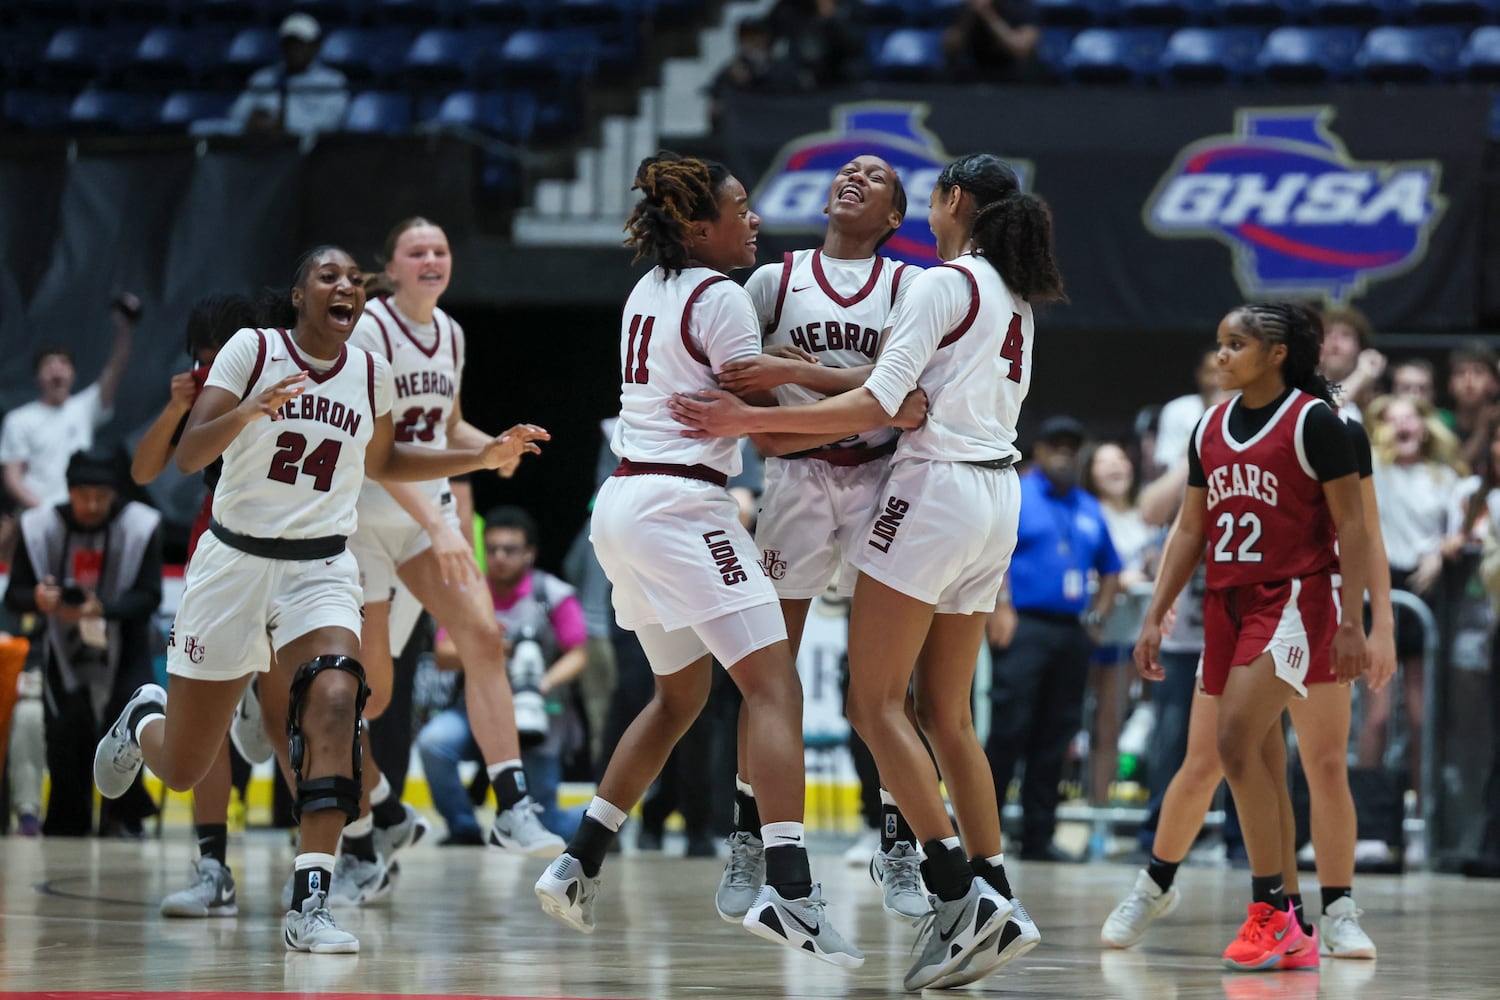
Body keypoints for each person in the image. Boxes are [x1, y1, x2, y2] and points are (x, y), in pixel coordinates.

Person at [669, 152, 1063, 990]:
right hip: (998, 499)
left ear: (950, 202)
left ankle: (958, 897)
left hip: (932, 489)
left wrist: (747, 409)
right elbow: (893, 393)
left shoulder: (936, 284)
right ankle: (994, 889)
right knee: (946, 713)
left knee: (871, 701)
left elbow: (884, 404)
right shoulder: (1014, 297)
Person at [91, 245, 547, 954]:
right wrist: (247, 413)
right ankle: (142, 721)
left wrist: (480, 456)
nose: (345, 286)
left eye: (352, 280)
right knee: (182, 765)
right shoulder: (253, 349)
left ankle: (313, 900)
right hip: (234, 562)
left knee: (338, 703)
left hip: (321, 568)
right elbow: (186, 458)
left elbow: (388, 463)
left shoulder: (370, 372)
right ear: (300, 295)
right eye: (327, 276)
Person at [532, 150, 865, 969]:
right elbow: (768, 421)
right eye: (740, 208)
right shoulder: (720, 297)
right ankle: (791, 891)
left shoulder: (649, 290)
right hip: (682, 506)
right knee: (773, 684)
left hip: (624, 506)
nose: (754, 220)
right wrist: (867, 398)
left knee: (679, 697)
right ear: (696, 225)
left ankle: (578, 860)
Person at [702, 153, 928, 926]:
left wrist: (800, 377)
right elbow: (737, 381)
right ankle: (749, 832)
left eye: (875, 176)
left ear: (895, 216)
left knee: (889, 685)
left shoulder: (909, 287)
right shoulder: (773, 280)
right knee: (769, 669)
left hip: (880, 482)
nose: (854, 176)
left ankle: (897, 838)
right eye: (848, 169)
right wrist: (836, 389)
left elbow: (908, 404)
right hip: (795, 480)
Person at [1102, 403, 1397, 960]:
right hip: (1243, 609)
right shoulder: (1219, 424)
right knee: (1203, 761)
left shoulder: (1332, 426)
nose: (1226, 359)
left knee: (1325, 763)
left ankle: (1336, 911)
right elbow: (1191, 520)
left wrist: (1380, 624)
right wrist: (1163, 598)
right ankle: (1156, 884)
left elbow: (1368, 530)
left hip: (1316, 606)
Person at [324, 216, 562, 907]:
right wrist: (446, 521)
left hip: (425, 518)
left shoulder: (450, 333)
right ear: (391, 268)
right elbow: (377, 452)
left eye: (441, 250)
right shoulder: (371, 328)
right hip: (367, 520)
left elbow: (445, 425)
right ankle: (365, 832)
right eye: (416, 251)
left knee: (485, 636)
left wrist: (494, 446)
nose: (432, 259)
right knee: (370, 695)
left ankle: (512, 806)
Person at [1129, 302, 1369, 971]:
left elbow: (1352, 526)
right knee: (1258, 758)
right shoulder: (1207, 428)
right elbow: (1188, 530)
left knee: (1233, 742)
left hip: (1292, 597)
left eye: (1236, 344)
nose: (1221, 356)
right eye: (1218, 344)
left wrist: (1355, 623)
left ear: (1277, 353)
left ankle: (1276, 911)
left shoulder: (1315, 422)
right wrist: (1157, 611)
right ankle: (1288, 918)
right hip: (1226, 603)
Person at [130, 293, 259, 916]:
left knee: (310, 711)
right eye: (202, 360)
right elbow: (146, 470)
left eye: (219, 358)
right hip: (219, 559)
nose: (211, 370)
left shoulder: (288, 381)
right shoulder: (209, 401)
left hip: (293, 564)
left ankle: (331, 867)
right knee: (201, 741)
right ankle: (213, 868)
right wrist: (179, 405)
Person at [6, 449, 162, 837]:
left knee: (127, 727)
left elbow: (149, 596)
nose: (92, 505)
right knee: (64, 730)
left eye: (101, 496)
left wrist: (103, 608)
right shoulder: (38, 526)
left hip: (123, 640)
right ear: (69, 491)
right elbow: (15, 594)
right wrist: (39, 600)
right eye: (83, 494)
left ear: (115, 495)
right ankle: (66, 823)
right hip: (63, 645)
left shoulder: (141, 525)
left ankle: (123, 817)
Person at [986, 415, 1120, 861]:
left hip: (1070, 631)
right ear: (1039, 451)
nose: (1064, 453)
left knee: (1056, 736)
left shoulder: (1087, 506)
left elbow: (1112, 568)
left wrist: (1098, 615)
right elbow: (992, 552)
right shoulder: (1019, 493)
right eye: (1055, 445)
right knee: (1009, 729)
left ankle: (1038, 838)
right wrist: (1001, 605)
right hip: (1024, 625)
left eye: (1072, 446)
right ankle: (984, 836)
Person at [416, 506, 589, 844]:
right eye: (492, 548)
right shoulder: (468, 594)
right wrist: (493, 646)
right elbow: (443, 653)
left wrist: (541, 684)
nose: (499, 557)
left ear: (530, 553)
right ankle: (463, 827)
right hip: (476, 708)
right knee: (434, 743)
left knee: (546, 820)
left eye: (510, 550)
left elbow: (579, 654)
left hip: (538, 714)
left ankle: (597, 821)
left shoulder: (551, 594)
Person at [1360, 394, 1462, 800]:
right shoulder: (1374, 470)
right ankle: (1367, 816)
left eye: (1410, 418)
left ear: (1425, 425)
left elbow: (1459, 531)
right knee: (1378, 714)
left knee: (1421, 717)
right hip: (1382, 590)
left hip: (1424, 590)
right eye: (1393, 419)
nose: (1403, 426)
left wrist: (1440, 552)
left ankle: (1422, 814)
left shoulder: (1443, 478)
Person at [1, 294, 138, 512]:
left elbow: (115, 368)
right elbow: (12, 477)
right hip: (36, 514)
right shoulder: (18, 420)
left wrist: (125, 327)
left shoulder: (84, 408)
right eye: (49, 364)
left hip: (81, 512)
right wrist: (43, 510)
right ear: (38, 377)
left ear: (73, 374)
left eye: (63, 363)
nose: (56, 369)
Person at [1081, 439, 1152, 812]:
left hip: (1130, 635)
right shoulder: (1085, 511)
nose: (1114, 467)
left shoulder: (1144, 515)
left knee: (1110, 724)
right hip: (1087, 631)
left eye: (1120, 458)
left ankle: (1100, 811)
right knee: (1072, 722)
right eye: (1103, 461)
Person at [225, 13, 349, 141]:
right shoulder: (263, 77)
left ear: (315, 46)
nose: (294, 49)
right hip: (257, 147)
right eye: (289, 43)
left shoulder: (333, 81)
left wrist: (283, 123)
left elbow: (328, 124)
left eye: (300, 44)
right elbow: (236, 114)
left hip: (306, 153)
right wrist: (251, 119)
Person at [942, 0, 1042, 82]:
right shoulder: (967, 8)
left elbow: (1021, 49)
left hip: (1012, 69)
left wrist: (987, 13)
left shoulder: (1021, 6)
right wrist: (969, 16)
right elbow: (949, 49)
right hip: (977, 68)